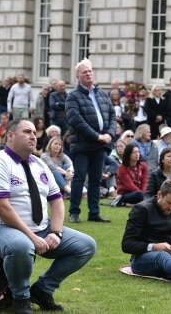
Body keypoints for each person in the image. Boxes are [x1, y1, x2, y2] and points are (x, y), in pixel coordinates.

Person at [0, 119, 96, 313]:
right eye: (26, 131)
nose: (33, 135)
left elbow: (57, 200)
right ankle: (20, 298)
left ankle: (42, 290)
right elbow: (2, 209)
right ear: (10, 136)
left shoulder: (39, 164)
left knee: (86, 246)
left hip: (41, 228)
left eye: (34, 132)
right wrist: (32, 238)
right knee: (22, 246)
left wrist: (55, 232)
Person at [65, 58, 115, 224]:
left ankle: (94, 212)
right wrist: (97, 136)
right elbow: (75, 120)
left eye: (90, 71)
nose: (88, 74)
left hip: (100, 144)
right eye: (84, 72)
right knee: (79, 178)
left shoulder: (102, 94)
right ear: (78, 77)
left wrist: (109, 134)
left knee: (95, 179)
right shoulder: (73, 96)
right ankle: (74, 212)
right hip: (82, 144)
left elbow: (112, 115)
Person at [115, 143, 148, 207]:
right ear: (128, 154)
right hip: (125, 193)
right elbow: (130, 185)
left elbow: (145, 182)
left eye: (138, 152)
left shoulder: (143, 165)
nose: (137, 154)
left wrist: (144, 193)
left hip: (141, 192)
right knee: (139, 195)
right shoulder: (122, 168)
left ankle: (137, 203)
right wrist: (143, 195)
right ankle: (123, 202)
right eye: (134, 152)